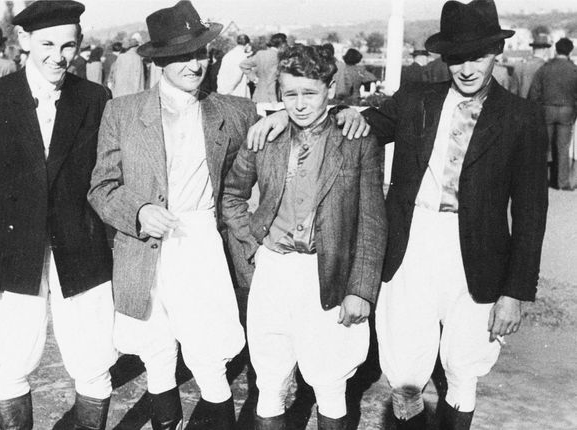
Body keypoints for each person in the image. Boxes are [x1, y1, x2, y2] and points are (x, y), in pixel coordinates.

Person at [248, 1, 548, 429]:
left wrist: (515, 292)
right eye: (457, 58)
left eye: (477, 57)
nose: (466, 68)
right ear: (445, 58)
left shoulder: (522, 117)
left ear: (496, 53)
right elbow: (350, 124)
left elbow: (532, 212)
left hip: (479, 257)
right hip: (411, 246)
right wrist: (284, 115)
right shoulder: (415, 100)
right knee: (405, 373)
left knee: (464, 369)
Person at [88, 1, 257, 428]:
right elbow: (101, 188)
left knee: (208, 354)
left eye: (201, 52)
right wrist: (139, 210)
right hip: (143, 247)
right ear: (160, 60)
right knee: (157, 350)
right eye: (182, 55)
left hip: (200, 243)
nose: (195, 64)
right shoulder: (123, 112)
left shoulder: (235, 112)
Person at [0, 1, 116, 429]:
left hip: (82, 249)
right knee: (9, 361)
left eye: (69, 45)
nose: (58, 56)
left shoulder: (95, 97)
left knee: (93, 361)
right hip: (13, 250)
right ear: (24, 41)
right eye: (47, 43)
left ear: (80, 45)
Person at [221, 44, 387, 430]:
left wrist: (360, 289)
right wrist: (254, 245)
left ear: (330, 87)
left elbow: (372, 223)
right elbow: (232, 195)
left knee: (330, 383)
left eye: (309, 93)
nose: (299, 104)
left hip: (326, 274)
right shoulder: (266, 136)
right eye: (289, 94)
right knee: (270, 380)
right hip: (274, 272)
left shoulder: (356, 140)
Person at [529, 37, 577, 190]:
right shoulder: (574, 70)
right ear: (570, 51)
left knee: (544, 146)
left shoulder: (545, 68)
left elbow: (534, 93)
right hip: (567, 111)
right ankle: (562, 183)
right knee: (563, 148)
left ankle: (542, 181)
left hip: (546, 110)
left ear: (555, 50)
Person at [239, 33, 287, 103]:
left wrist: (254, 79)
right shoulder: (277, 57)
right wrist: (274, 100)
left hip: (258, 96)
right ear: (282, 44)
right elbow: (271, 80)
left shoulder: (261, 54)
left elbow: (243, 64)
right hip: (271, 99)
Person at [514, 33, 552, 99]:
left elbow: (514, 88)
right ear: (545, 49)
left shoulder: (520, 65)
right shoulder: (546, 66)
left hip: (521, 103)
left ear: (533, 48)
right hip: (538, 105)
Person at [217, 34, 251, 98]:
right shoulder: (242, 56)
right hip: (238, 93)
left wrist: (221, 90)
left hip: (225, 91)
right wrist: (227, 91)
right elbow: (237, 76)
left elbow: (221, 74)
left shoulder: (227, 55)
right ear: (247, 45)